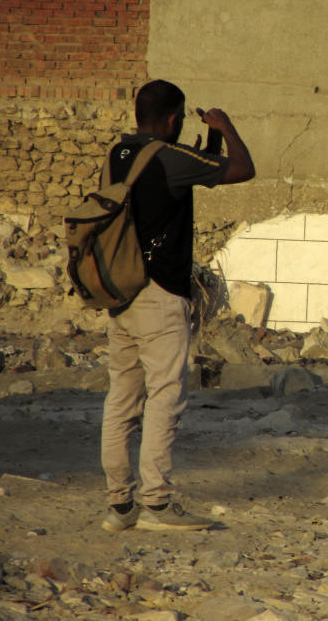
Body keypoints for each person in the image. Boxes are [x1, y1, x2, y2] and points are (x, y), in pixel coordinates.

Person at [100, 79, 255, 532]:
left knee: (121, 399)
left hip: (120, 289)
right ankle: (159, 505)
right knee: (165, 397)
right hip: (159, 296)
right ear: (172, 118)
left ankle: (119, 506)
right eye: (182, 117)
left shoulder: (119, 155)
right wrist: (224, 128)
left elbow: (168, 192)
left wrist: (202, 147)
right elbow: (243, 169)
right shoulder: (170, 157)